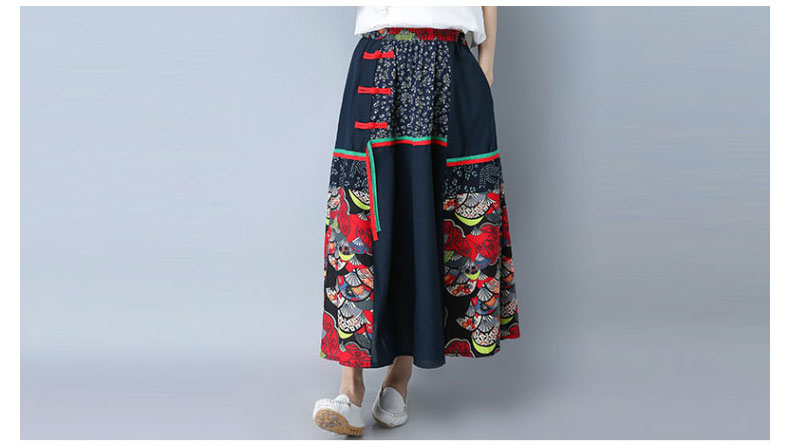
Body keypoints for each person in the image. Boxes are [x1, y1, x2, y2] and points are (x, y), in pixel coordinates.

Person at [313, 6, 521, 436]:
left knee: (429, 213)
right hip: (381, 56)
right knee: (363, 210)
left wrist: (486, 67)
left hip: (450, 63)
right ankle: (350, 389)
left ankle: (399, 380)